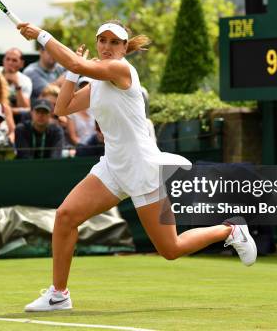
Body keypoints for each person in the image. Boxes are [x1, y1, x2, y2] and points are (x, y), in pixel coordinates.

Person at [17, 21, 257, 312]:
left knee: (170, 250)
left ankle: (230, 231)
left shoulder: (122, 70)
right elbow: (62, 108)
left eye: (114, 42)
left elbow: (72, 60)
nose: (106, 46)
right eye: (102, 41)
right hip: (113, 168)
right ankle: (58, 294)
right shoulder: (96, 81)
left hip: (142, 169)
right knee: (66, 216)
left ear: (124, 48)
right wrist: (71, 72)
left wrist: (41, 36)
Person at [0, 48, 32, 119]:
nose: (10, 63)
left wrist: (17, 85)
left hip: (16, 118)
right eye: (7, 59)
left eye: (14, 60)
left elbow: (25, 108)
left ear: (21, 63)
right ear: (3, 60)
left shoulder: (26, 80)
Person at [66, 76, 96, 146]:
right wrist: (85, 147)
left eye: (87, 88)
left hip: (97, 146)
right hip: (81, 149)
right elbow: (73, 137)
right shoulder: (71, 113)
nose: (84, 91)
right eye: (82, 88)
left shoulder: (96, 108)